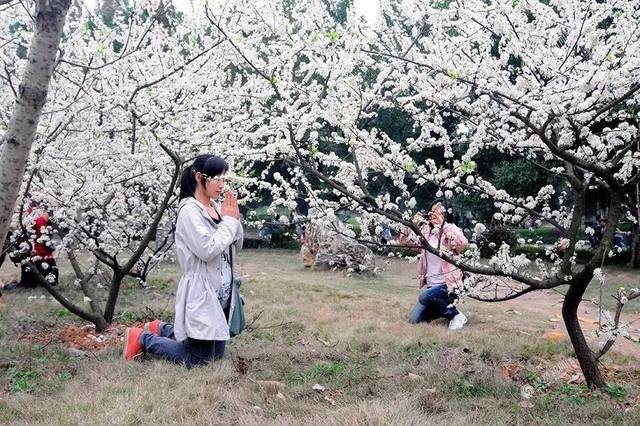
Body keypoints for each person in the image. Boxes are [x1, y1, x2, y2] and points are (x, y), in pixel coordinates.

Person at [122, 155, 243, 367]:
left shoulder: (216, 207)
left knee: (216, 355)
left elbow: (234, 246)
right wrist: (230, 223)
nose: (221, 185)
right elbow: (208, 249)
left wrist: (234, 221)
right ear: (198, 177)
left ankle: (161, 329)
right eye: (216, 178)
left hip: (220, 292)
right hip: (202, 289)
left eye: (224, 179)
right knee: (199, 360)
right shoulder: (189, 211)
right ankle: (141, 338)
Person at [399, 200, 469, 330]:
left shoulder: (451, 229)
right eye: (432, 212)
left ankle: (456, 315)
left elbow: (462, 244)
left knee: (425, 297)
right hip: (432, 286)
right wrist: (411, 224)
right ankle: (442, 308)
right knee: (414, 319)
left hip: (449, 284)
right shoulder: (426, 232)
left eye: (438, 212)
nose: (434, 215)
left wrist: (443, 225)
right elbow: (405, 242)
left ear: (445, 214)